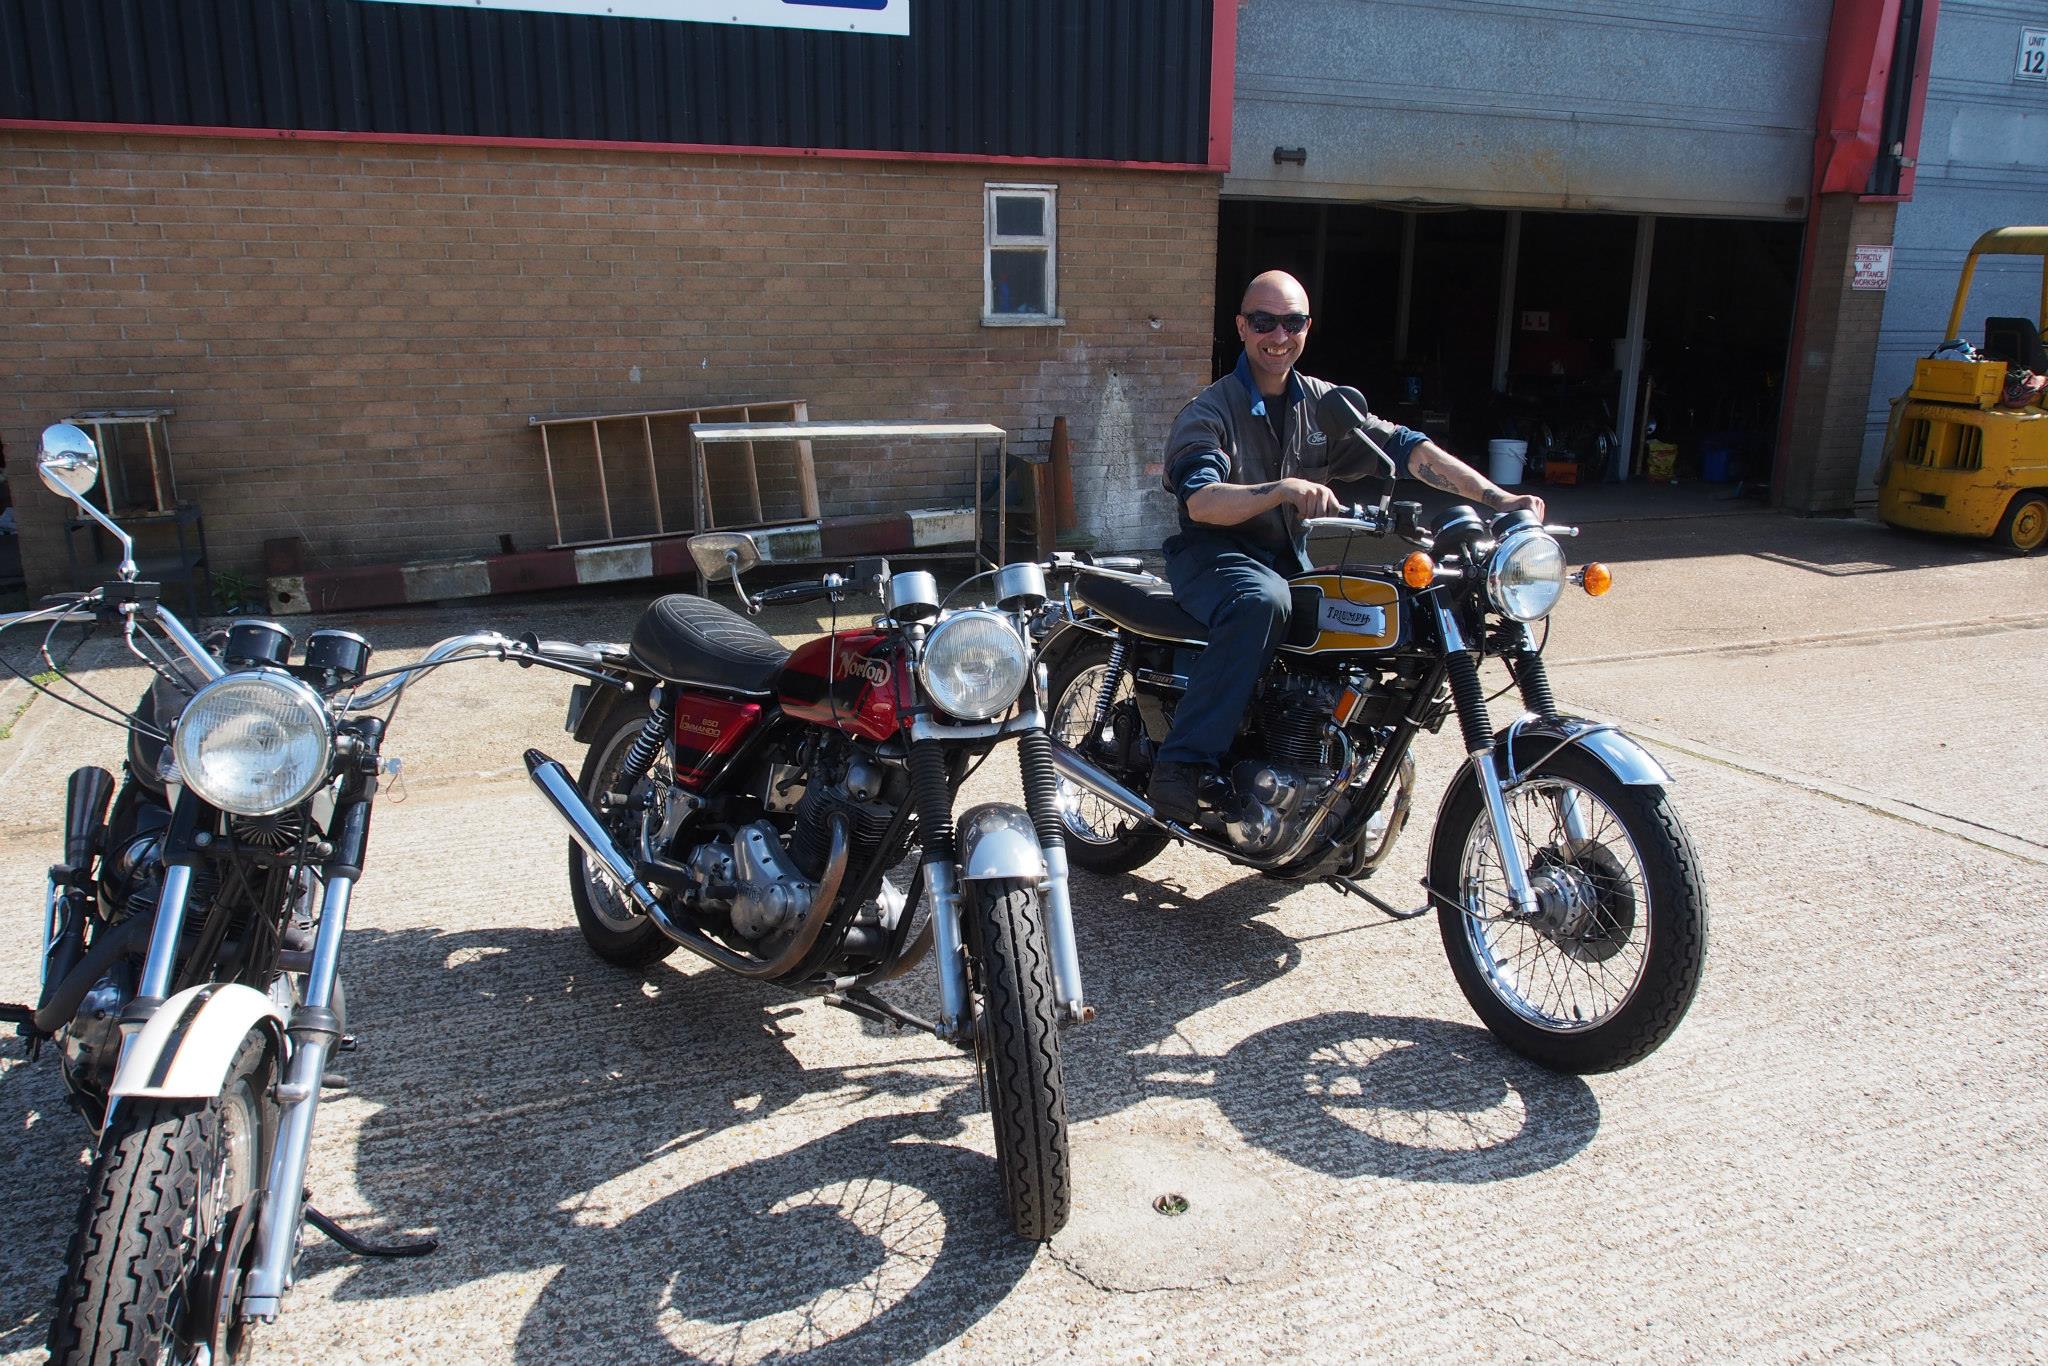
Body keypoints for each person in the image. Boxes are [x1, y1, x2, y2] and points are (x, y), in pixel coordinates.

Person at [1148, 269, 1546, 824]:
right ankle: (1183, 767)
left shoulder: (1324, 406)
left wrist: (1496, 497)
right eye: (1264, 321)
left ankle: (1323, 762)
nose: (1279, 334)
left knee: (1366, 607)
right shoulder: (1210, 411)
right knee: (1264, 603)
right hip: (1216, 559)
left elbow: (1410, 450)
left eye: (1293, 322)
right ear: (1241, 326)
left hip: (1288, 559)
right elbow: (1201, 500)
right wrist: (1281, 490)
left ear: (1307, 329)